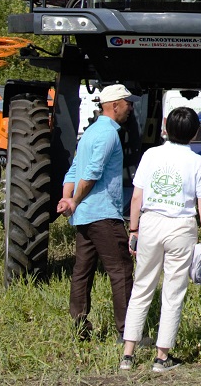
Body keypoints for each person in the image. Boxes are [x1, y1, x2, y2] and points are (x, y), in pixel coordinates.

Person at [120, 106, 201, 372]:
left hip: (150, 222)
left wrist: (134, 230)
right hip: (181, 227)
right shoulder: (199, 162)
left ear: (166, 128)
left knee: (141, 287)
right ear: (195, 132)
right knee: (173, 292)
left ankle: (128, 354)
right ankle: (162, 357)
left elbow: (137, 197)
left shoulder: (151, 154)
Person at [57, 83, 136, 342]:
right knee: (121, 270)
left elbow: (74, 169)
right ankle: (127, 332)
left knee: (82, 271)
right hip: (103, 213)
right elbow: (91, 174)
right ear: (114, 106)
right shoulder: (108, 135)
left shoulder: (90, 132)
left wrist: (68, 199)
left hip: (85, 217)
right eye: (128, 103)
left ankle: (80, 328)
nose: (131, 108)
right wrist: (75, 200)